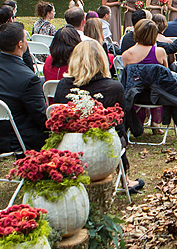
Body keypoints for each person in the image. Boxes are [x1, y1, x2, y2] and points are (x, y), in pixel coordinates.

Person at [52, 40, 143, 193]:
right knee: (119, 133)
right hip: (101, 150)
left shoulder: (62, 85)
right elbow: (119, 128)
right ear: (102, 60)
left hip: (68, 148)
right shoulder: (113, 88)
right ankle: (124, 179)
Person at [0, 22, 48, 153]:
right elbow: (41, 117)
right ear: (20, 44)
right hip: (13, 140)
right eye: (25, 39)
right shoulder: (29, 78)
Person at [122, 18, 170, 125]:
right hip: (157, 96)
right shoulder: (160, 52)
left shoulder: (127, 55)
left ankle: (139, 120)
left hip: (135, 96)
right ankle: (155, 122)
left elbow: (128, 79)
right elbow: (166, 76)